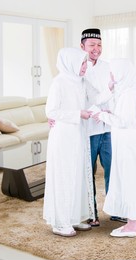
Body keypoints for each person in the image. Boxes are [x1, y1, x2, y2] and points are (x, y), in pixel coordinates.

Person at [92, 58, 136, 237]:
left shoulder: (128, 95)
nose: (111, 75)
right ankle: (131, 221)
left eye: (113, 72)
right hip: (127, 142)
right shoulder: (127, 92)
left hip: (127, 145)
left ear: (121, 72)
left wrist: (102, 115)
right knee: (128, 178)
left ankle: (132, 225)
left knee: (128, 179)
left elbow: (124, 121)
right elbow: (124, 116)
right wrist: (108, 113)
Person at [43, 47, 94, 237]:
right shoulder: (59, 82)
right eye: (81, 63)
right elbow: (52, 111)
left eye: (84, 63)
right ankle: (60, 222)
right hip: (63, 136)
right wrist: (78, 114)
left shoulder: (80, 81)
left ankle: (75, 216)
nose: (84, 66)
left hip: (78, 134)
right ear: (70, 63)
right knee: (64, 176)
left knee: (77, 174)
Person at [80, 28, 126, 226]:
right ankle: (91, 213)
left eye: (99, 45)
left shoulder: (108, 66)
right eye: (92, 45)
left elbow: (115, 93)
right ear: (82, 46)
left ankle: (115, 210)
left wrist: (110, 113)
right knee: (88, 173)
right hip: (88, 129)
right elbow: (83, 98)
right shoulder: (78, 68)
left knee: (112, 169)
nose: (96, 49)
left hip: (107, 128)